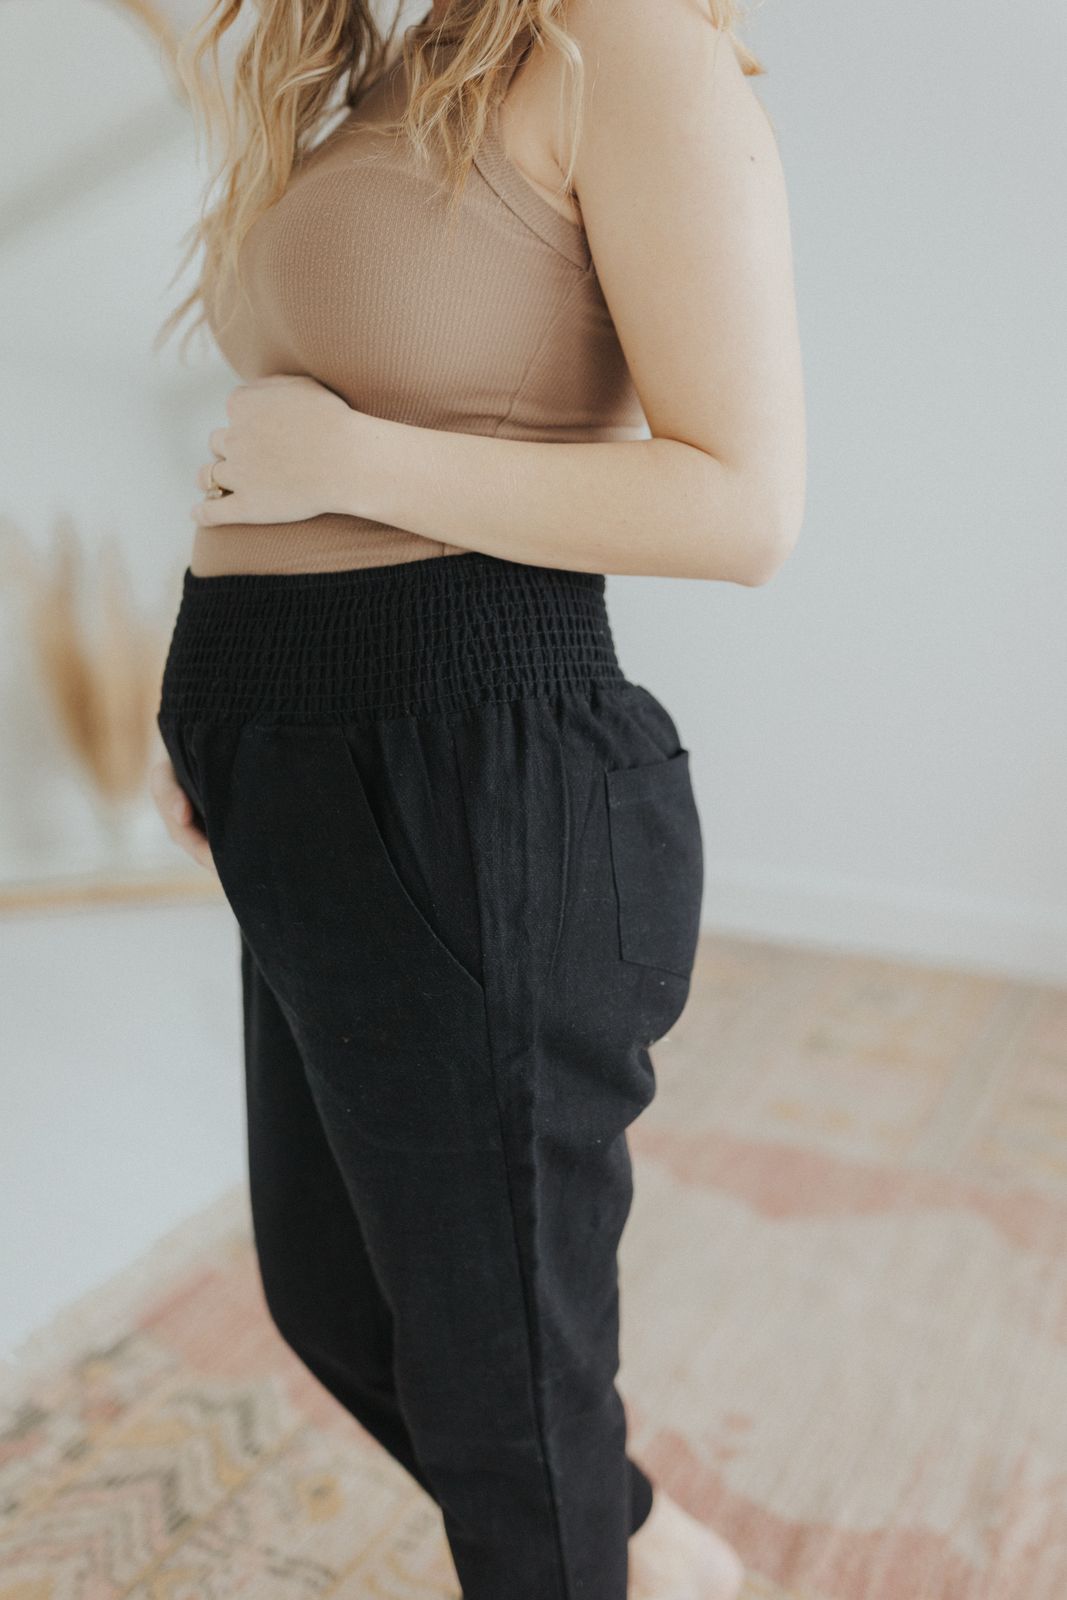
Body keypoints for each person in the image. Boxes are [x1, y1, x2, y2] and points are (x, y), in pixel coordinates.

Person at [150, 0, 805, 1594]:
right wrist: (229, 715)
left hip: (473, 779)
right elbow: (283, 442)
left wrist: (353, 470)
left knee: (502, 1391)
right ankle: (634, 1544)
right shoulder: (383, 65)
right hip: (305, 774)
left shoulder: (621, 44)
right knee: (338, 1300)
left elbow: (744, 502)